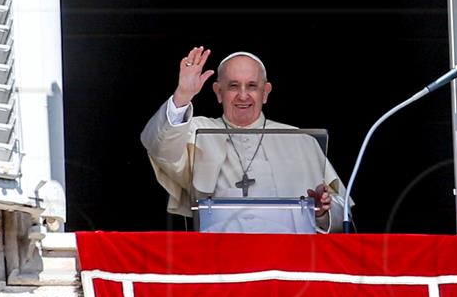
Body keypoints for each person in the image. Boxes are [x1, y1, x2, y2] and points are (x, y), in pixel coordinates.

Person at [141, 46, 349, 233]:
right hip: (218, 259)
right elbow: (159, 146)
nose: (243, 95)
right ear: (218, 92)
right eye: (233, 86)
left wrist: (322, 212)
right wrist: (183, 95)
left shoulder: (302, 141)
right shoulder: (195, 130)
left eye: (251, 86)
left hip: (288, 258)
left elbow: (343, 216)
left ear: (265, 92)